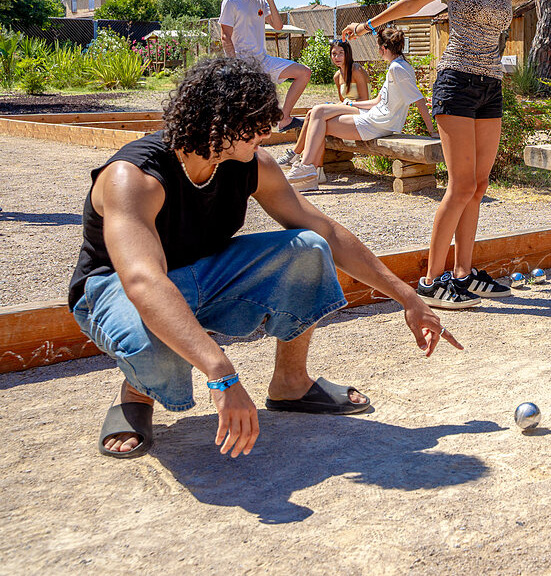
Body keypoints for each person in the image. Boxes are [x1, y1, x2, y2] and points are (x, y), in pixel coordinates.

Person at [69, 57, 463, 460]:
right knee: (155, 335)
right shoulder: (133, 176)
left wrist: (409, 298)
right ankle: (136, 394)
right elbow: (143, 282)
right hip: (115, 288)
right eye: (256, 121)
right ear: (219, 122)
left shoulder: (252, 164)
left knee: (308, 248)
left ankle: (291, 383)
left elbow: (325, 230)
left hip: (203, 275)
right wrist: (221, 374)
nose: (271, 129)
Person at [343, 0, 535, 303]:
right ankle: (432, 281)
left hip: (490, 85)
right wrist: (370, 24)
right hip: (457, 83)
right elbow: (415, 2)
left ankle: (463, 273)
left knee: (479, 185)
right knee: (460, 185)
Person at [284, 27, 441, 203]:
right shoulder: (397, 66)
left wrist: (431, 130)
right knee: (318, 116)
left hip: (378, 123)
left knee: (319, 119)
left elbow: (419, 99)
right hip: (375, 116)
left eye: (378, 47)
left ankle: (307, 169)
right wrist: (350, 103)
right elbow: (377, 101)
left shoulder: (398, 69)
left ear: (383, 48)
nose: (378, 51)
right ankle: (309, 173)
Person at [219, 0, 310, 132]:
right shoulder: (231, 1)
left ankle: (284, 119)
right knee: (247, 114)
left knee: (304, 73)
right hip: (243, 63)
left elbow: (278, 26)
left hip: (263, 60)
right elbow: (225, 37)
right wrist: (234, 66)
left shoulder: (260, 1)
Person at [276, 38, 372, 169]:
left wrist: (342, 106)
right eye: (334, 54)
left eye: (341, 53)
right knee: (313, 115)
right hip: (348, 110)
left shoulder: (356, 69)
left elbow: (366, 100)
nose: (337, 57)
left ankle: (295, 156)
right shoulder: (337, 76)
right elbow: (342, 100)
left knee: (316, 115)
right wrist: (335, 105)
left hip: (362, 110)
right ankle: (312, 166)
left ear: (348, 54)